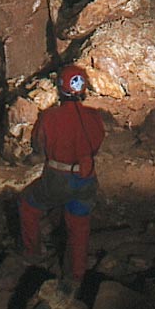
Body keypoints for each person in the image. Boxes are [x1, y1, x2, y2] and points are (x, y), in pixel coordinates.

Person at [18, 64, 105, 292]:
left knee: (28, 206)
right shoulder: (95, 117)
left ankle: (33, 254)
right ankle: (76, 276)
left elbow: (39, 146)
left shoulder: (50, 117)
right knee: (79, 225)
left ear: (60, 89)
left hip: (58, 177)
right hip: (86, 178)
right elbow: (96, 144)